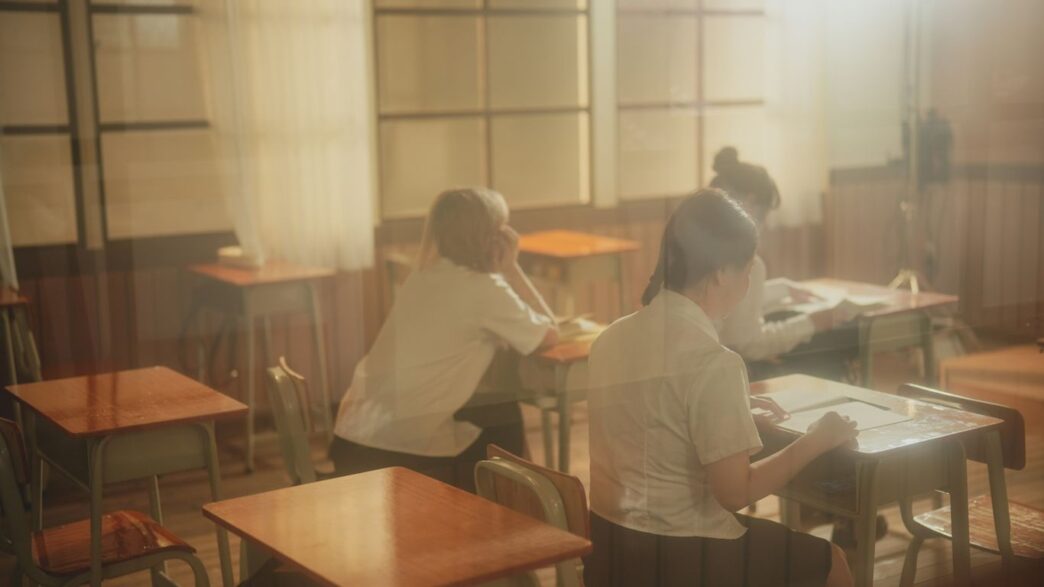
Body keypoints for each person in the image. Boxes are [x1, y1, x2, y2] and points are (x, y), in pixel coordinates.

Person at [585, 189, 855, 587]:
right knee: (830, 560)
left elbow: (652, 415)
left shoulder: (610, 337)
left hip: (609, 550)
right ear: (720, 273)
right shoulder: (714, 361)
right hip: (680, 559)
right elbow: (735, 493)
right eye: (747, 270)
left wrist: (733, 406)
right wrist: (818, 438)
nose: (749, 281)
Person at [328, 187, 558, 492]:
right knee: (504, 413)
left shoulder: (423, 276)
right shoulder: (484, 289)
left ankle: (512, 513)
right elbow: (550, 333)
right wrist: (511, 268)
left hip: (352, 438)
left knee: (493, 411)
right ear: (490, 237)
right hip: (396, 453)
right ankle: (517, 514)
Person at [711, 146, 857, 382]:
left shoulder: (699, 247)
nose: (764, 226)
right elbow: (748, 345)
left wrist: (783, 289)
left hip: (688, 373)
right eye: (766, 216)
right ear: (750, 203)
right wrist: (811, 322)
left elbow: (729, 303)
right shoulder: (746, 263)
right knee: (827, 359)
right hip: (725, 378)